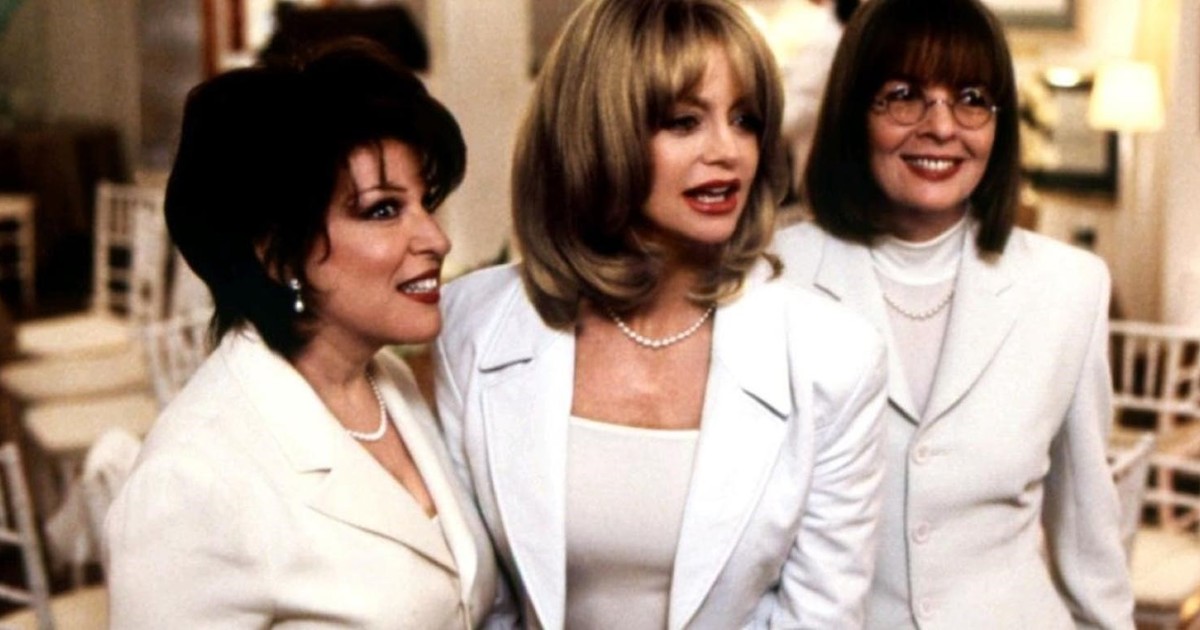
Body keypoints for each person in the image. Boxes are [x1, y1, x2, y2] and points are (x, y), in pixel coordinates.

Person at [434, 0, 888, 627]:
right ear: (598, 130)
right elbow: (474, 603)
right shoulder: (472, 325)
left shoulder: (832, 356)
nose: (728, 152)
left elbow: (821, 616)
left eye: (746, 120)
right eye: (683, 121)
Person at [104, 41, 500, 628]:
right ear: (276, 254)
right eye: (383, 211)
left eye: (425, 203)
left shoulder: (389, 383)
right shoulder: (188, 480)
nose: (436, 240)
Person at [774, 0, 1136, 627]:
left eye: (971, 99)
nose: (941, 127)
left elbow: (1088, 540)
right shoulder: (775, 276)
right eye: (903, 96)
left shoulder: (1070, 287)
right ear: (855, 112)